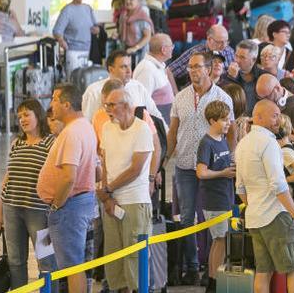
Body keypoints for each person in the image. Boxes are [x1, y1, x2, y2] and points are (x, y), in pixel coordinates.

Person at [166, 51, 234, 285]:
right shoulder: (180, 97)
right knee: (186, 217)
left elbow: (231, 131)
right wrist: (163, 162)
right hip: (185, 165)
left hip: (214, 168)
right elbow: (172, 131)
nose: (194, 71)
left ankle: (212, 269)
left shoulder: (223, 97)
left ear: (209, 68)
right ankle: (192, 267)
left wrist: (230, 159)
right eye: (190, 68)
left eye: (198, 67)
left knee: (213, 218)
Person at [235, 99, 294, 293]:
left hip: (255, 219)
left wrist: (255, 205)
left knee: (263, 272)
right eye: (274, 115)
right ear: (258, 117)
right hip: (276, 216)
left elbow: (240, 188)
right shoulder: (269, 143)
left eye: (279, 114)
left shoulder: (243, 144)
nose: (278, 119)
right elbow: (279, 186)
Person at [36, 84, 97, 293]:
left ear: (67, 104)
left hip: (69, 207)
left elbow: (69, 177)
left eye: (54, 99)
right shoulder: (84, 126)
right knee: (73, 265)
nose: (51, 104)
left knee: (72, 267)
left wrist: (56, 204)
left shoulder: (72, 133)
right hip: (78, 203)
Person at [97, 88, 154, 292]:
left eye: (112, 105)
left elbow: (136, 169)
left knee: (134, 259)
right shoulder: (106, 128)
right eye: (106, 105)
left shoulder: (142, 130)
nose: (108, 109)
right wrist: (106, 196)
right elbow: (105, 163)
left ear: (128, 106)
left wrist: (109, 188)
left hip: (134, 201)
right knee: (114, 259)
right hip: (112, 201)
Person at [0, 99, 56, 288]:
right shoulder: (17, 143)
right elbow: (8, 178)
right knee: (15, 262)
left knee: (46, 261)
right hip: (12, 209)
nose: (22, 119)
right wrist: (0, 212)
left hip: (39, 212)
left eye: (26, 114)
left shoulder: (50, 143)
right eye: (20, 116)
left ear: (38, 116)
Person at [196, 100, 235, 293]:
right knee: (220, 240)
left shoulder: (222, 140)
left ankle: (213, 280)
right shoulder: (207, 143)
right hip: (214, 199)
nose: (228, 123)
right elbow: (201, 172)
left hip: (225, 196)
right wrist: (223, 173)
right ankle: (214, 282)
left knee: (219, 241)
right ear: (212, 121)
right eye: (224, 120)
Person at [81, 50, 162, 122]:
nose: (129, 71)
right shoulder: (94, 91)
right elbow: (86, 124)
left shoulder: (138, 87)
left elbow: (156, 115)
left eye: (130, 66)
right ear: (111, 69)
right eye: (123, 67)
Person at [53, 0, 100, 74]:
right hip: (73, 50)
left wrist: (96, 30)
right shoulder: (67, 10)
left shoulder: (87, 8)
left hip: (88, 50)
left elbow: (96, 27)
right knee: (74, 77)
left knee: (86, 78)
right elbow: (57, 30)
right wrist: (62, 41)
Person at [168, 24, 235, 90]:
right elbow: (169, 71)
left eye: (226, 41)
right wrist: (176, 95)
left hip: (222, 93)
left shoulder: (229, 51)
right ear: (209, 39)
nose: (224, 46)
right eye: (220, 42)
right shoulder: (195, 53)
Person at [256, 73, 294, 145]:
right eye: (261, 98)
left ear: (277, 88)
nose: (264, 101)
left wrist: (272, 131)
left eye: (267, 97)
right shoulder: (271, 103)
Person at [133, 33, 176, 121]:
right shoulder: (147, 69)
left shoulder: (157, 66)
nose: (172, 48)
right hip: (156, 126)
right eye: (171, 46)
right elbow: (141, 103)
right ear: (163, 50)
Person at [222, 39, 266, 116]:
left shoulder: (263, 76)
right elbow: (225, 99)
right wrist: (231, 78)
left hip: (258, 119)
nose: (237, 60)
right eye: (236, 56)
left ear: (253, 60)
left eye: (242, 57)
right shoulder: (226, 76)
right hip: (234, 119)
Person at [117, 0, 153, 65]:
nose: (127, 1)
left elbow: (147, 36)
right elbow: (121, 33)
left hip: (140, 52)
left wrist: (135, 48)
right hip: (126, 50)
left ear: (138, 0)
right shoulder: (123, 15)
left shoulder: (142, 15)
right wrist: (116, 35)